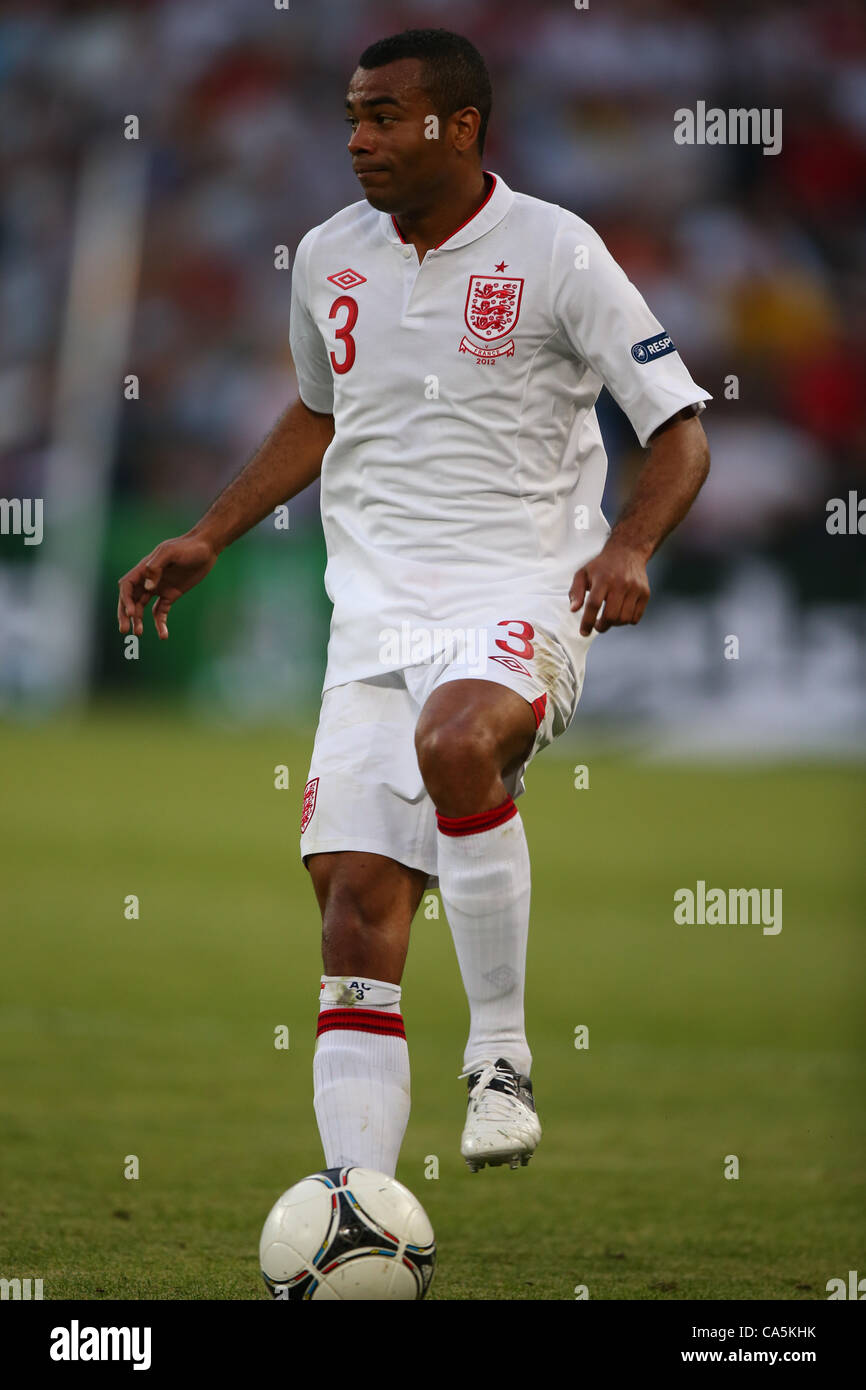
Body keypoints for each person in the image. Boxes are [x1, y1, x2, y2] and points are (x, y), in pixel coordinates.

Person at [118, 28, 711, 1179]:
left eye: (385, 117)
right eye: (351, 115)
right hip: (371, 619)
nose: (357, 140)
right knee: (350, 911)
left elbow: (679, 428)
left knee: (456, 744)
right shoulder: (330, 256)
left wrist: (631, 545)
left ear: (461, 126)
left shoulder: (556, 250)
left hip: (522, 591)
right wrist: (210, 530)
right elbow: (317, 409)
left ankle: (498, 1060)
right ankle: (362, 1206)